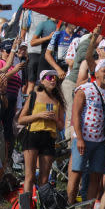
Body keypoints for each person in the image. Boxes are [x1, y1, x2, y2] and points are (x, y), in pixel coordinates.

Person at [69, 61, 105, 208]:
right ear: (97, 72)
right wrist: (80, 138)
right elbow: (75, 114)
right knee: (76, 173)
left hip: (100, 141)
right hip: (83, 138)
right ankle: (70, 206)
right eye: (104, 71)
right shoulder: (84, 89)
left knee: (96, 175)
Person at [18, 70, 66, 200]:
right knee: (30, 176)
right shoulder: (34, 95)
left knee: (44, 178)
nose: (53, 80)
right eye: (50, 77)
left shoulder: (58, 100)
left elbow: (61, 126)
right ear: (42, 80)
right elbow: (21, 119)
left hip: (49, 137)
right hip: (32, 134)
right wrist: (39, 115)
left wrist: (55, 119)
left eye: (55, 78)